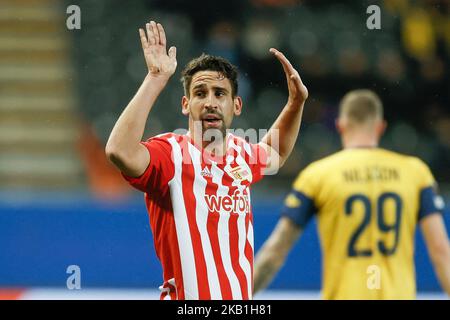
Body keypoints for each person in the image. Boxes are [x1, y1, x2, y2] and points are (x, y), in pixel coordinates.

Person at [105, 20, 308, 300]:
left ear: (236, 106)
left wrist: (295, 103)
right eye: (200, 93)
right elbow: (119, 151)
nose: (210, 101)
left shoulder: (242, 154)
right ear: (186, 104)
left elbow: (276, 153)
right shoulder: (171, 155)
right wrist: (155, 78)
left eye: (220, 94)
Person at [253, 89, 450, 299]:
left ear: (340, 125)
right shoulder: (415, 172)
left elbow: (276, 251)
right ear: (381, 127)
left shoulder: (319, 174)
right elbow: (440, 251)